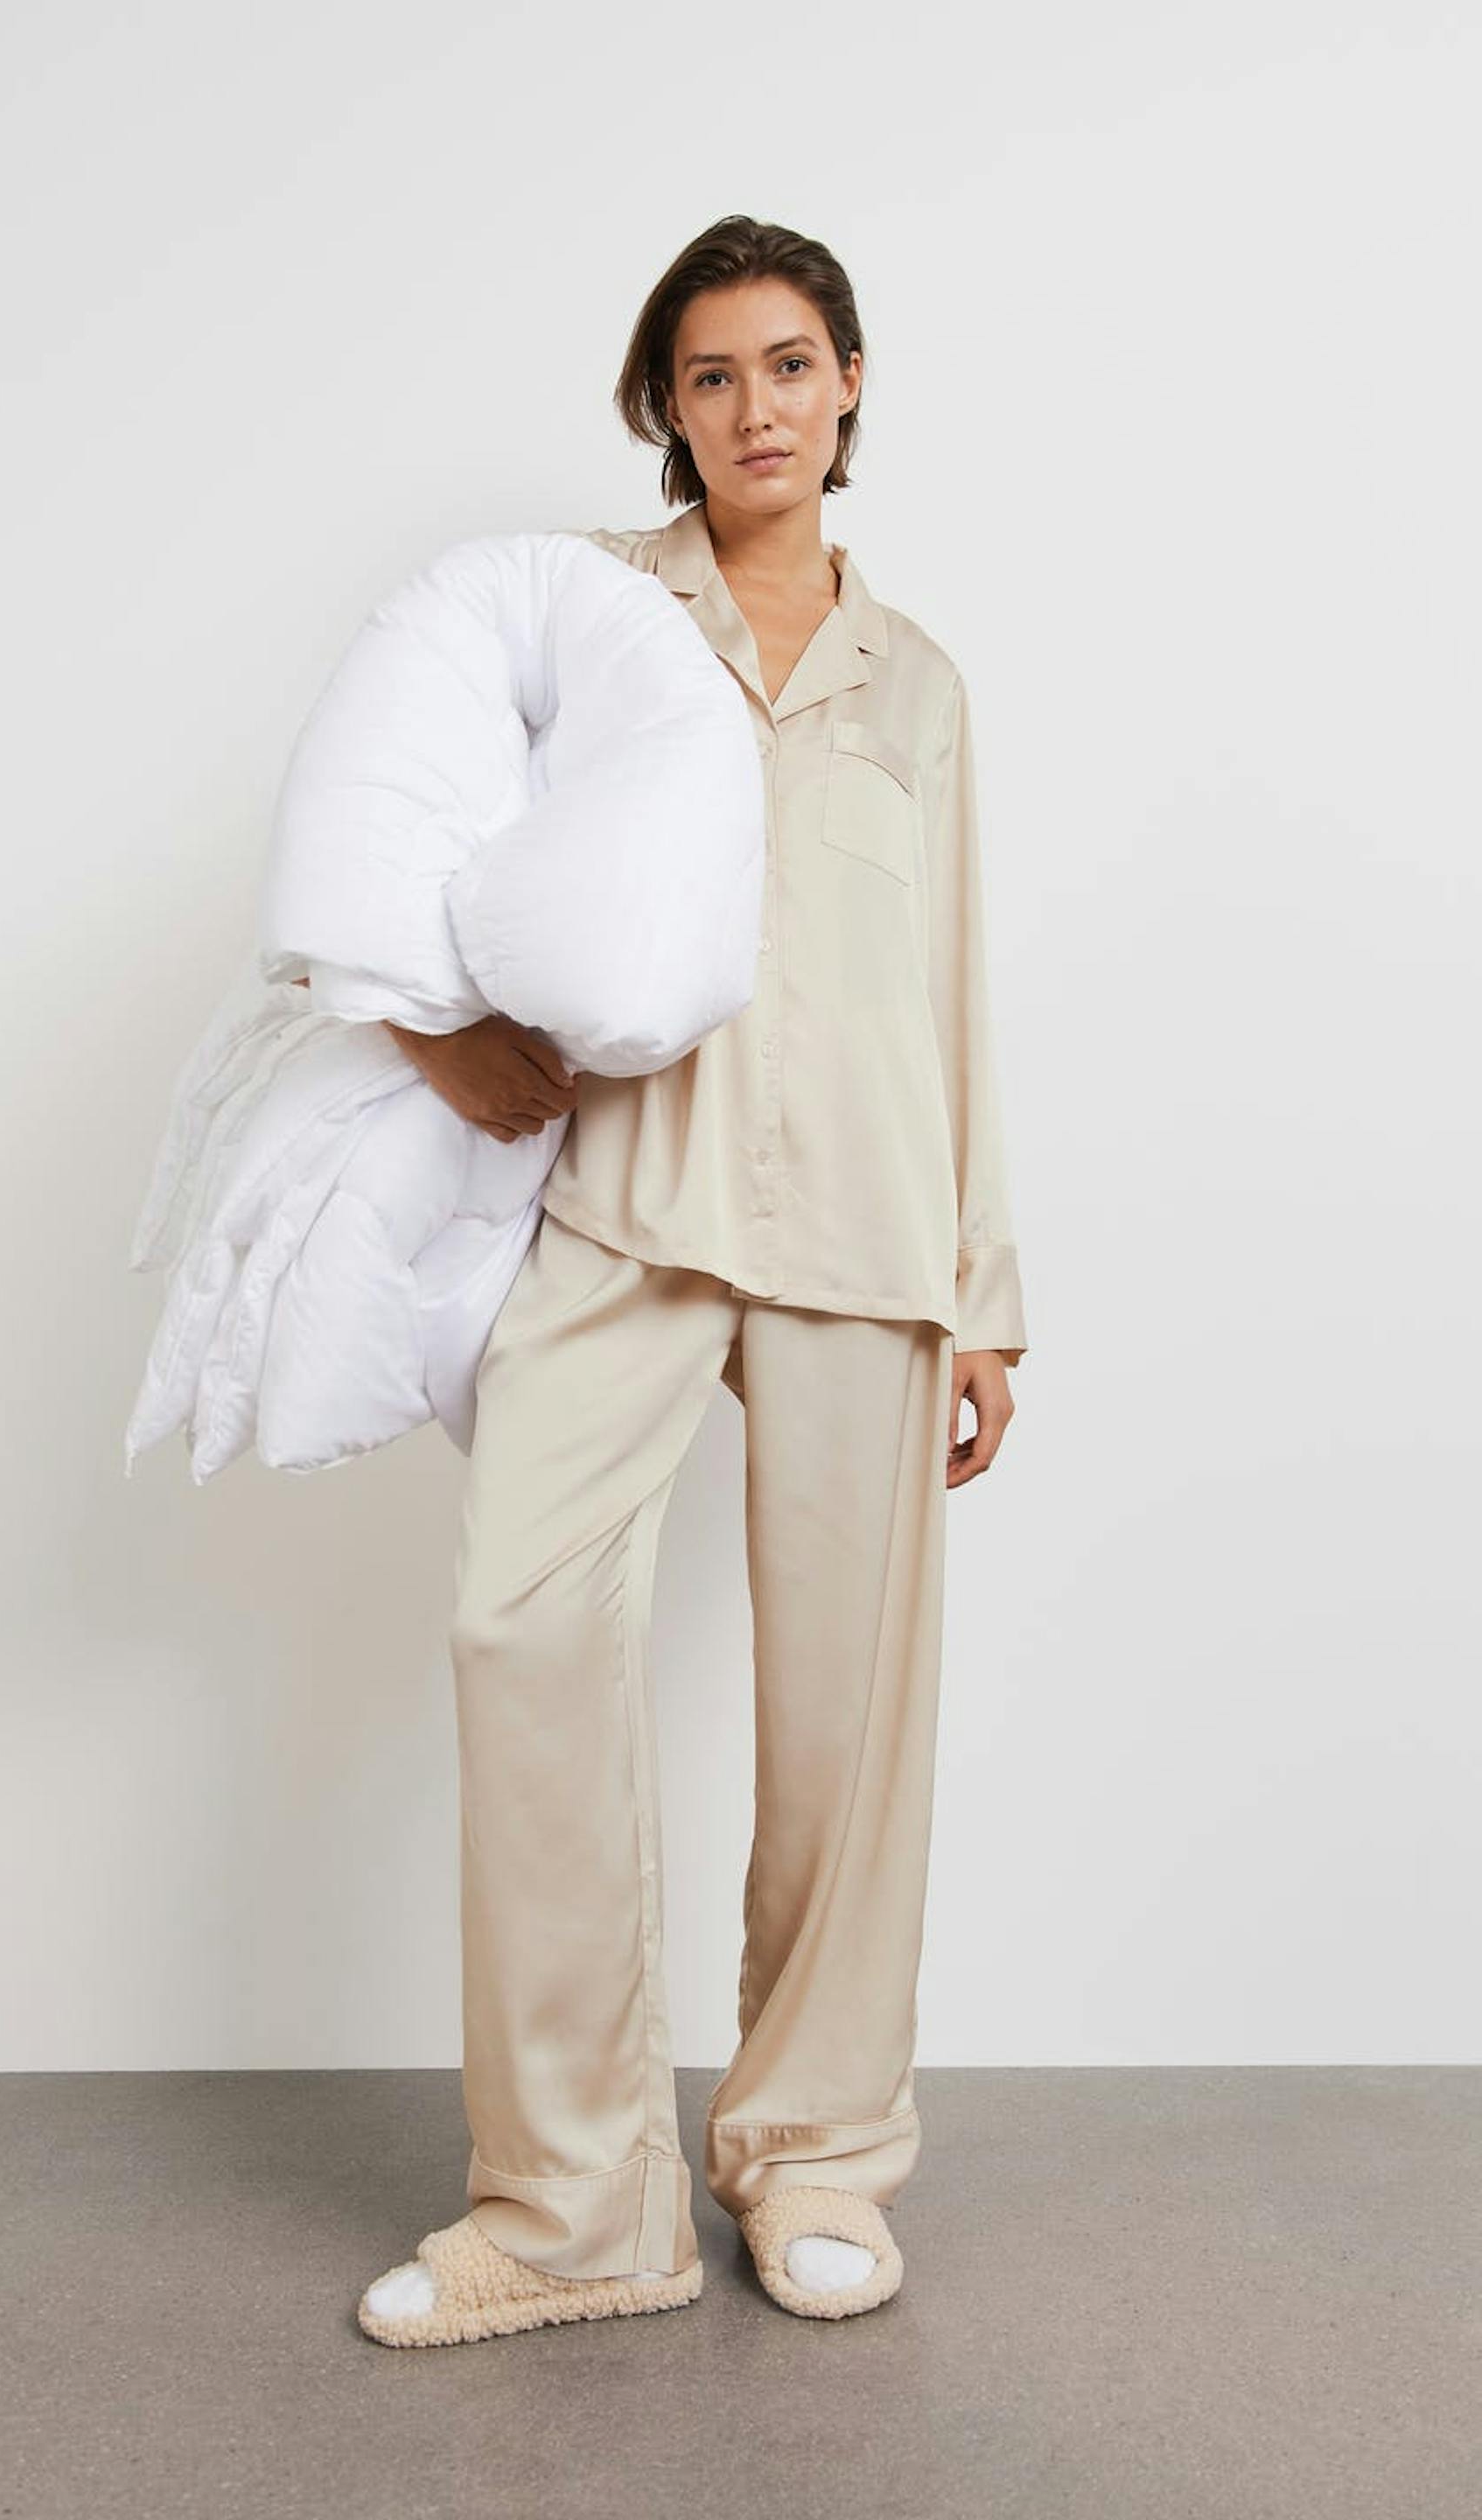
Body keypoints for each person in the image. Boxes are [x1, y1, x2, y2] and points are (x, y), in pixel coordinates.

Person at [356, 214, 1028, 2348]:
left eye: (792, 363)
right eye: (713, 372)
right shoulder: (579, 610)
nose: (758, 406)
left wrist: (982, 1288)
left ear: (852, 386)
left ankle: (813, 2150)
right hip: (628, 1198)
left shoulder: (917, 682)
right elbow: (394, 828)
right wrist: (427, 1033)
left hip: (863, 1225)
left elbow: (947, 986)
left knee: (848, 1714)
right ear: (665, 403)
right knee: (518, 1620)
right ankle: (574, 2208)